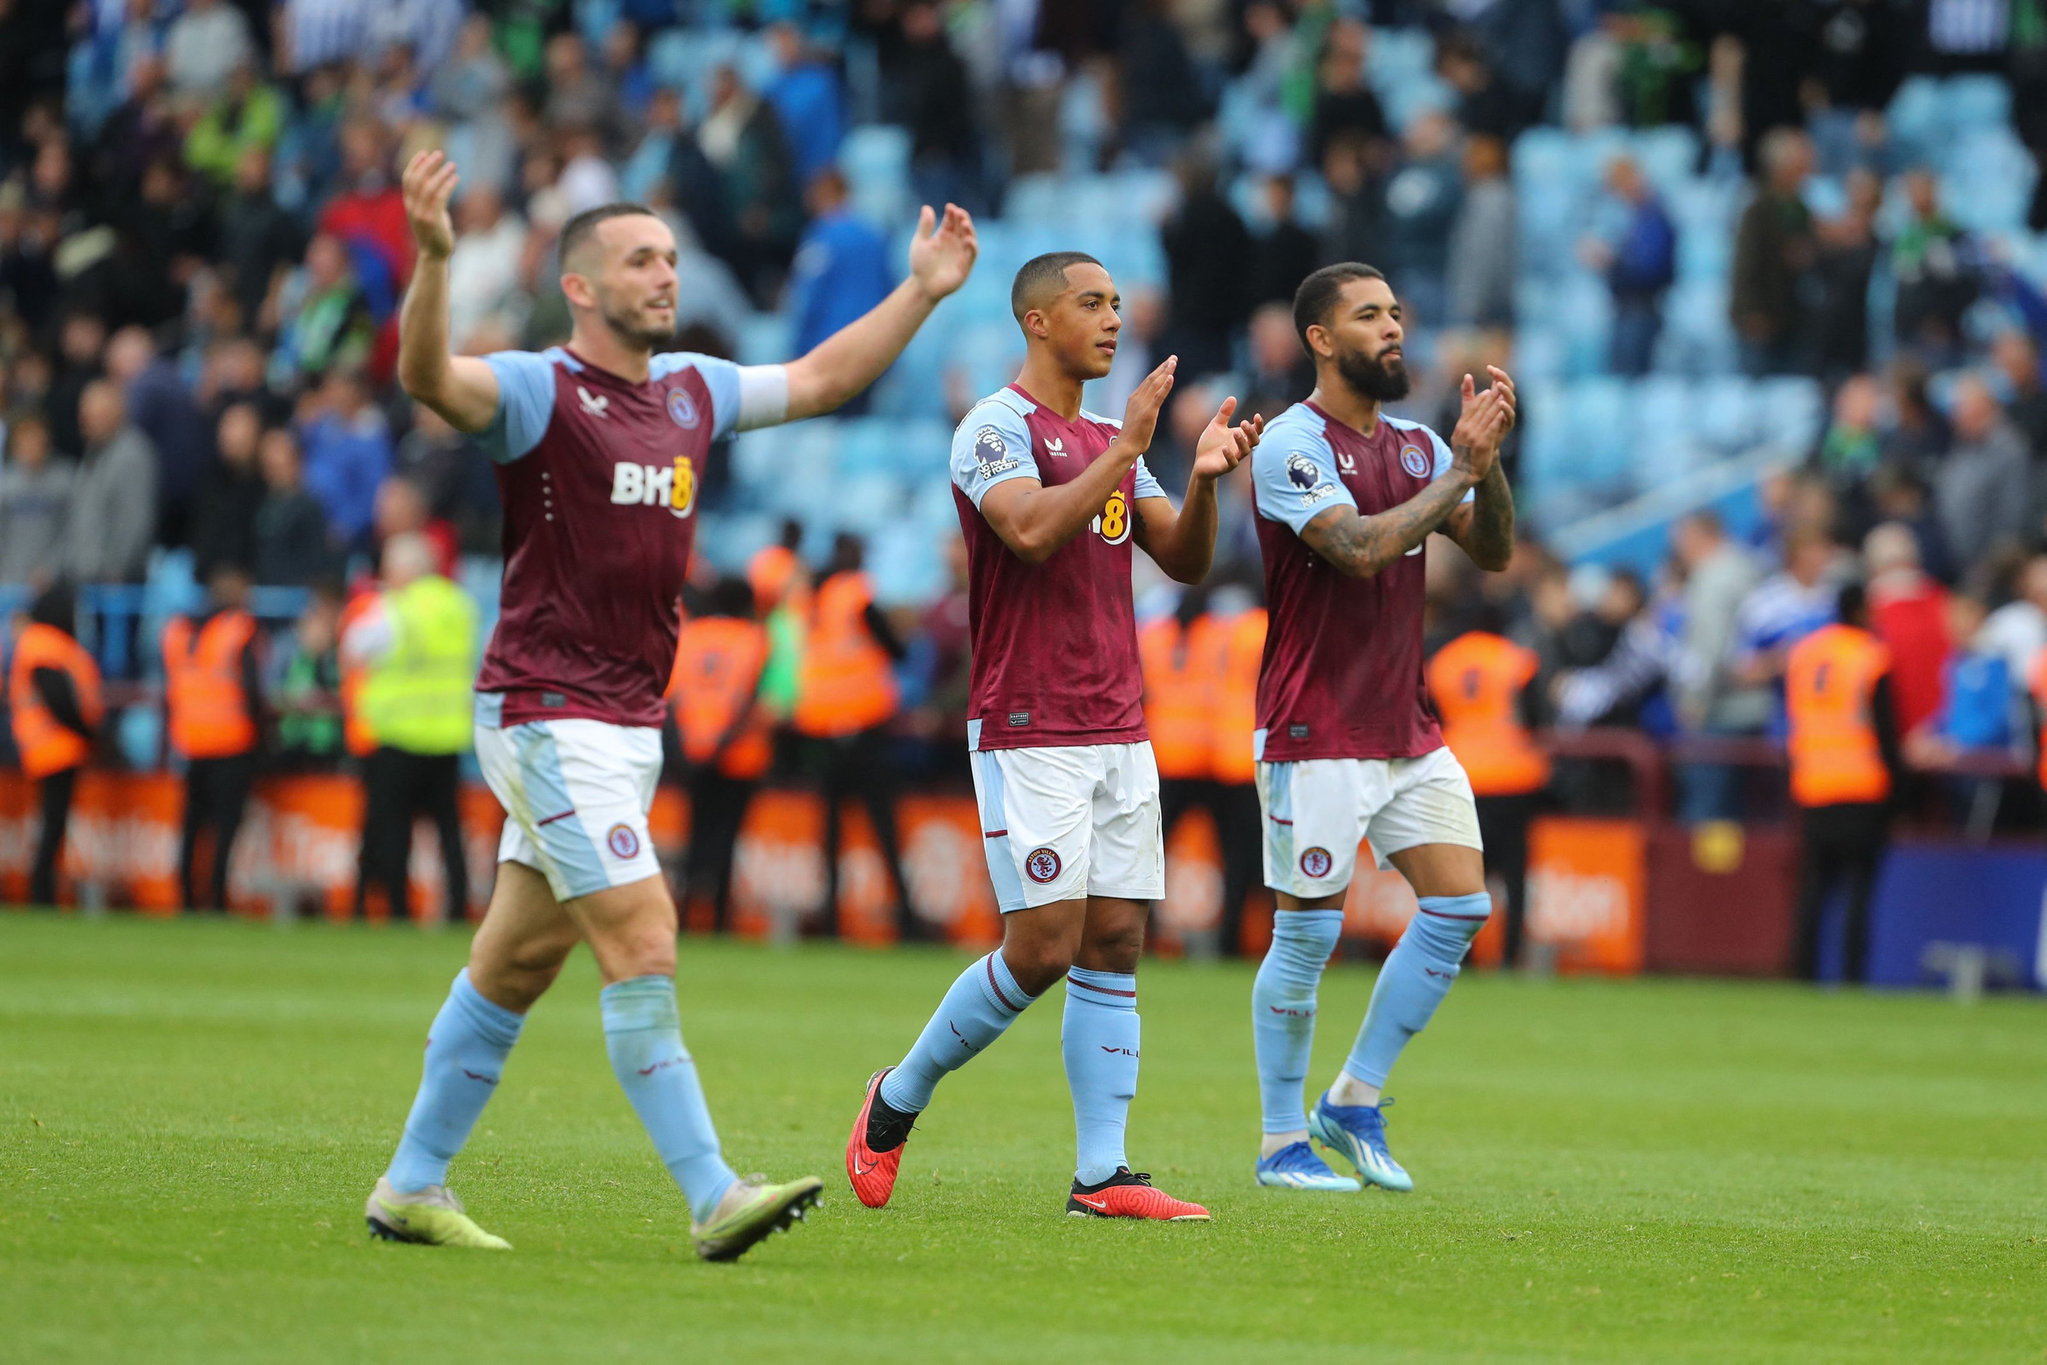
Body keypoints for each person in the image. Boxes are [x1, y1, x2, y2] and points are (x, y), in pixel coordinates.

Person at [367, 149, 977, 1261]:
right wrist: (435, 265)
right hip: (546, 710)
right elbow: (429, 381)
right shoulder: (538, 389)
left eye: (670, 258)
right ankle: (711, 1194)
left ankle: (410, 1184)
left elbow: (827, 379)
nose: (664, 274)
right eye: (639, 259)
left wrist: (923, 290)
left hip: (626, 722)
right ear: (582, 288)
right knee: (644, 936)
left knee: (514, 964)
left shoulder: (694, 388)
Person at [846, 251, 1261, 1223]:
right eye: (1090, 303)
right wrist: (1126, 453)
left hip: (1118, 719)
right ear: (1037, 321)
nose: (1112, 319)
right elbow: (1027, 532)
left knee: (1113, 938)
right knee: (1039, 948)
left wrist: (1199, 481)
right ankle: (896, 1098)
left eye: (1118, 304)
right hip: (1029, 720)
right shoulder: (994, 429)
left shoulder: (1113, 438)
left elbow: (1187, 561)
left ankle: (1102, 1176)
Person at [1244, 262, 1516, 1195]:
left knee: (1460, 905)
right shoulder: (1289, 444)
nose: (1392, 328)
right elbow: (1358, 549)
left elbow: (1491, 548)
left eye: (1397, 312)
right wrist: (1460, 474)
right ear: (1321, 339)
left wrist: (1487, 461)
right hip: (1314, 727)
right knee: (1308, 937)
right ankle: (1280, 1140)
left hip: (1404, 725)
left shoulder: (1413, 444)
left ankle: (1352, 1098)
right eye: (1369, 316)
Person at [344, 533, 478, 925]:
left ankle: (398, 909)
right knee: (450, 833)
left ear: (406, 569)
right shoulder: (460, 605)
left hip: (400, 736)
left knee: (394, 830)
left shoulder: (395, 607)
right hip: (448, 735)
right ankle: (457, 908)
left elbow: (355, 647)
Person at [793, 533, 913, 938]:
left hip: (821, 722)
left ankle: (828, 919)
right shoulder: (855, 592)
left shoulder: (811, 598)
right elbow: (896, 649)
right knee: (883, 824)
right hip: (864, 721)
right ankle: (906, 918)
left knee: (829, 826)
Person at [1784, 583, 1900, 984]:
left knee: (1814, 886)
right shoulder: (1869, 656)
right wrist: (1900, 786)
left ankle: (1803, 972)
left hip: (1813, 783)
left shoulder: (1805, 653)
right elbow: (1886, 728)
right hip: (1861, 783)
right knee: (1858, 890)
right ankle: (1852, 976)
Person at [1426, 606, 1549, 970]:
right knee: (1514, 873)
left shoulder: (1442, 662)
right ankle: (1511, 956)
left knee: (1461, 875)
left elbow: (1428, 718)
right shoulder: (1517, 659)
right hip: (1513, 776)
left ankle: (1460, 957)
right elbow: (1539, 715)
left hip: (1458, 774)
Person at [669, 576, 772, 932]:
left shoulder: (693, 634)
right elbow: (749, 697)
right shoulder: (755, 637)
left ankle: (683, 914)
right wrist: (723, 744)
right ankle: (717, 918)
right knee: (727, 836)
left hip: (692, 750)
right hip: (738, 755)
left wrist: (689, 746)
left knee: (695, 834)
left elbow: (675, 697)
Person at [163, 565, 264, 913]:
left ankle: (187, 897)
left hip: (190, 743)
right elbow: (252, 690)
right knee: (224, 830)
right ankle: (217, 899)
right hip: (231, 743)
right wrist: (264, 741)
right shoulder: (238, 629)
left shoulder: (179, 630)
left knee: (192, 827)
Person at [8, 585, 103, 906]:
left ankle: (43, 890)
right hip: (55, 745)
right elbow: (59, 699)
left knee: (52, 822)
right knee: (53, 823)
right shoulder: (46, 645)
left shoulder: (42, 643)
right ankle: (41, 893)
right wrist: (89, 735)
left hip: (48, 744)